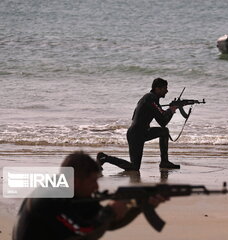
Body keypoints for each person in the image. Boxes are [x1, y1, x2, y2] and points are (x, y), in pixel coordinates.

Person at [13, 151, 168, 240]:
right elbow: (84, 232)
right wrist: (110, 212)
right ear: (75, 180)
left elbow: (108, 224)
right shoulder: (49, 198)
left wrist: (140, 205)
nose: (96, 186)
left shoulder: (74, 193)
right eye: (93, 181)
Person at [97, 78, 180, 171]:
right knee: (134, 167)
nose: (167, 91)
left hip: (142, 132)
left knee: (164, 131)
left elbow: (161, 117)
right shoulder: (151, 99)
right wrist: (171, 110)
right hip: (136, 135)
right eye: (165, 88)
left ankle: (164, 162)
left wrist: (171, 109)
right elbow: (163, 122)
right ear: (157, 89)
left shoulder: (150, 99)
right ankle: (104, 158)